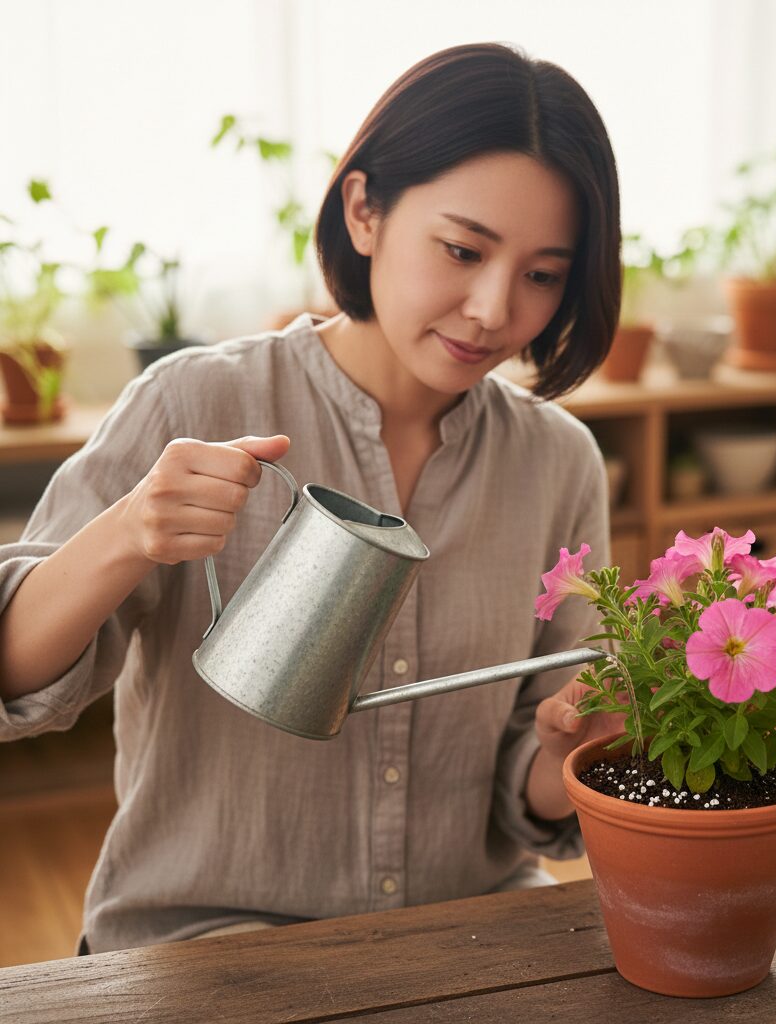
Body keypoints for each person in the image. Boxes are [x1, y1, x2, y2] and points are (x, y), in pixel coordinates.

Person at [0, 41, 626, 955]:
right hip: (201, 947)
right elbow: (14, 683)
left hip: (467, 943)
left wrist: (582, 742)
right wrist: (129, 532)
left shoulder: (558, 461)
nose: (495, 309)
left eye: (542, 274)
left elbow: (531, 792)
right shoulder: (192, 402)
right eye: (462, 249)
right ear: (365, 210)